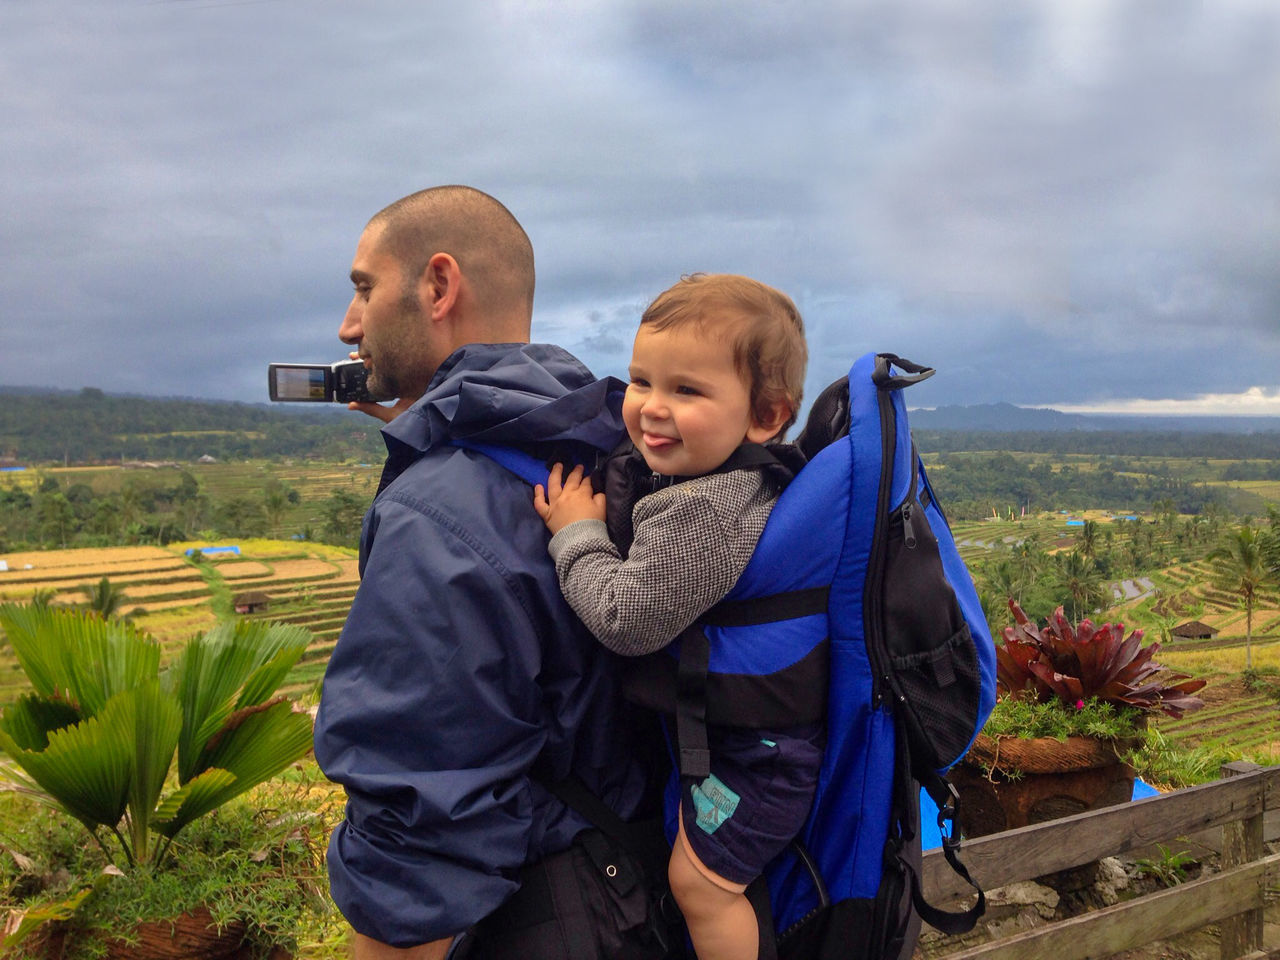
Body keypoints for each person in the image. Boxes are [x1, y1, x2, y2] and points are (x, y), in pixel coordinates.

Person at [312, 185, 649, 959]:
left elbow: (416, 850)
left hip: (548, 920)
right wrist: (431, 440)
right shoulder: (601, 438)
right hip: (641, 889)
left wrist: (431, 482)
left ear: (438, 285)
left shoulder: (437, 519)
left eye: (364, 288)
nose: (347, 325)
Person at [533, 274, 824, 960]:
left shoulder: (707, 508)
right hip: (741, 743)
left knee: (699, 886)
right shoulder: (715, 478)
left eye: (686, 391)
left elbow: (626, 617)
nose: (651, 409)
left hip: (759, 761)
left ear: (766, 417)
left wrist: (576, 534)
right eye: (640, 382)